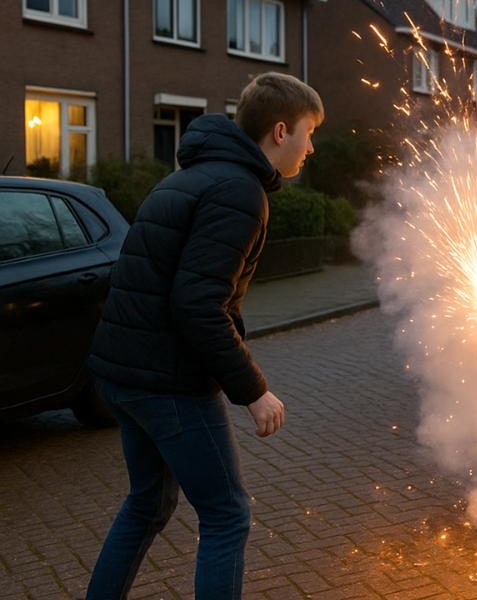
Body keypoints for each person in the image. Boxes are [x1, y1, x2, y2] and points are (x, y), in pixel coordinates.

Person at [85, 72, 322, 599]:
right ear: (280, 131)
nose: (312, 146)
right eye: (309, 132)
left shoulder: (191, 176)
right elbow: (197, 305)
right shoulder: (239, 192)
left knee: (148, 504)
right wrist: (253, 390)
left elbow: (185, 289)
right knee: (227, 514)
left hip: (122, 372)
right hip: (167, 381)